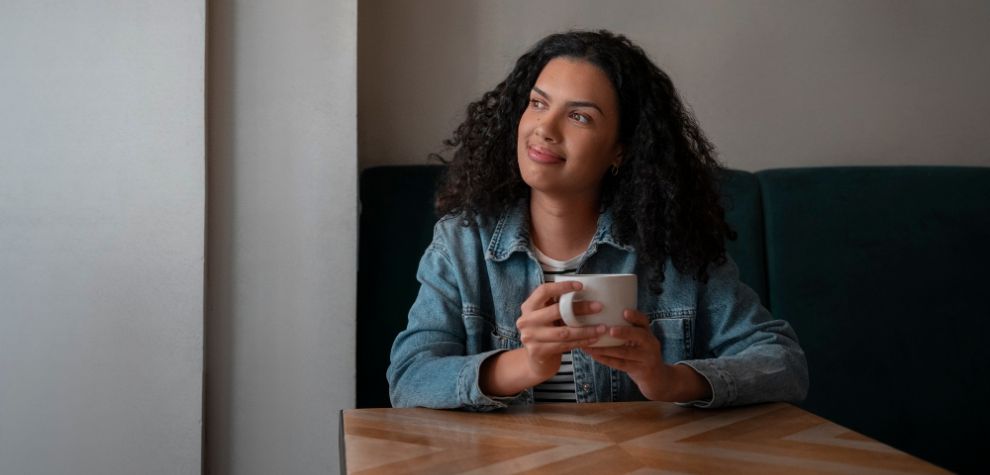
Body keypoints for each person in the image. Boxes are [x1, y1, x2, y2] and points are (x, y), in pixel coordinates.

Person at [387, 30, 808, 410]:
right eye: (537, 103)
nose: (545, 128)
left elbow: (784, 362)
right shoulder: (463, 243)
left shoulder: (671, 245)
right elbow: (409, 378)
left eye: (580, 116)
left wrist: (666, 379)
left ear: (620, 151)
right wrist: (526, 364)